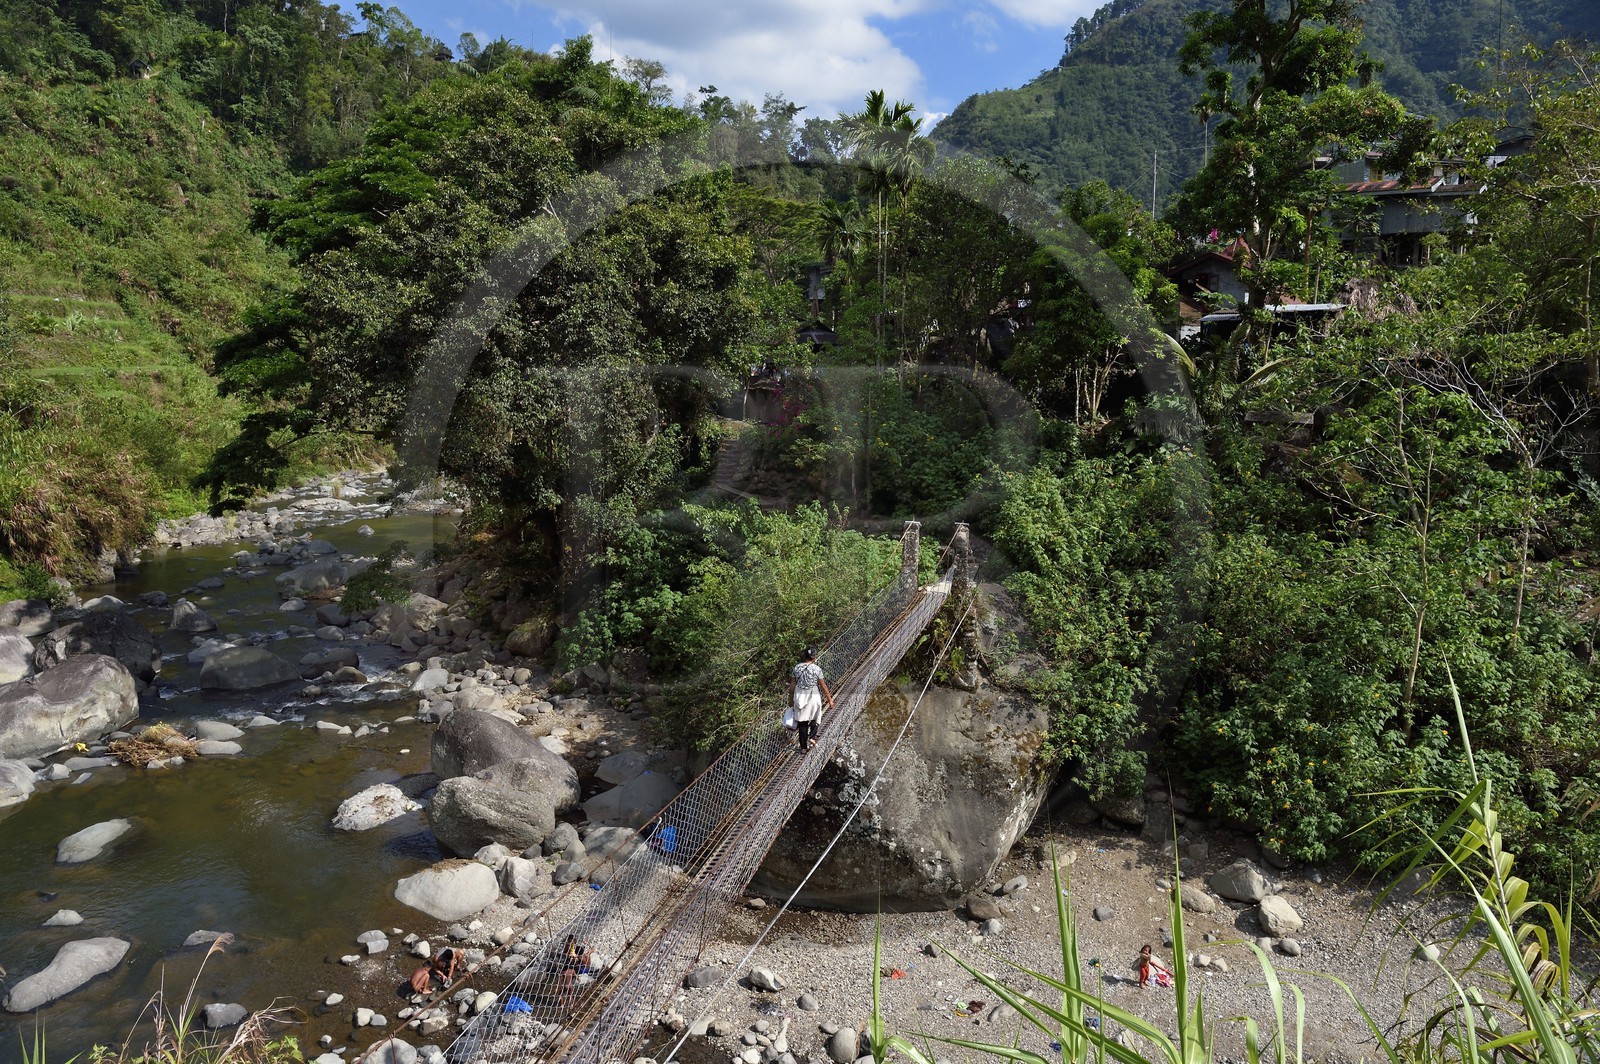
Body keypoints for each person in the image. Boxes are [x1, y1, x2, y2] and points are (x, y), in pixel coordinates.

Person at [787, 645, 835, 752]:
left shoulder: (796, 668)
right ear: (814, 657)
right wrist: (830, 700)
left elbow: (792, 687)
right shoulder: (817, 669)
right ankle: (812, 737)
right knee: (815, 715)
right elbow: (823, 686)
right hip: (813, 695)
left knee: (802, 722)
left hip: (800, 696)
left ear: (805, 655)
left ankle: (803, 747)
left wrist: (790, 700)